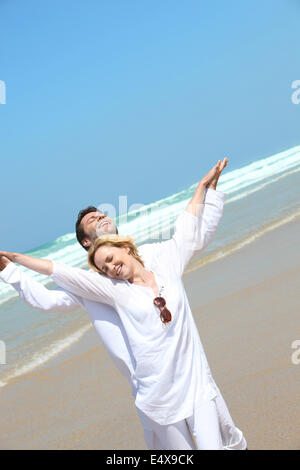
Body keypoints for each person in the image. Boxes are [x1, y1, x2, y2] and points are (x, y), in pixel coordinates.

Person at [0, 159, 247, 449]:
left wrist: (209, 194)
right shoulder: (94, 286)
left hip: (189, 370)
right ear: (85, 243)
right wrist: (11, 271)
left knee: (223, 434)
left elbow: (192, 237)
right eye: (92, 220)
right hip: (150, 386)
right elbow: (47, 298)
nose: (101, 217)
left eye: (102, 214)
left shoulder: (153, 255)